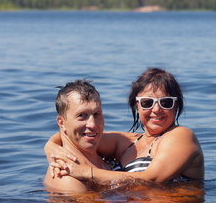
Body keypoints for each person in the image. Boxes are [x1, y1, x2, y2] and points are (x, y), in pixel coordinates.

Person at [45, 67, 204, 184]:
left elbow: (152, 180)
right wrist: (51, 147)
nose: (156, 109)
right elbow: (78, 135)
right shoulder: (126, 143)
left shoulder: (182, 136)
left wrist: (88, 173)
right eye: (147, 103)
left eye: (166, 102)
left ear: (176, 106)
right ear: (137, 106)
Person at [43, 79, 113, 192]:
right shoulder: (68, 176)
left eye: (96, 114)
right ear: (61, 123)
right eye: (81, 115)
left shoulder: (102, 151)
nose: (92, 124)